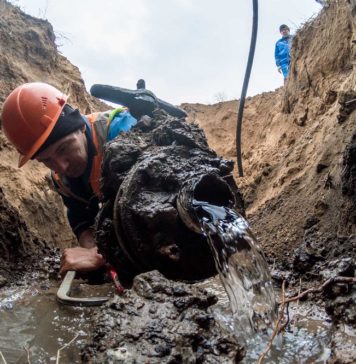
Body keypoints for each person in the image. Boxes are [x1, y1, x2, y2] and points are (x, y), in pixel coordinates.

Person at [1, 82, 137, 275]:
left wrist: (103, 255)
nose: (61, 167)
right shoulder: (62, 181)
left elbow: (155, 216)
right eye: (46, 160)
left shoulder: (122, 133)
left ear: (80, 127)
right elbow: (81, 219)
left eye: (64, 148)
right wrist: (91, 249)